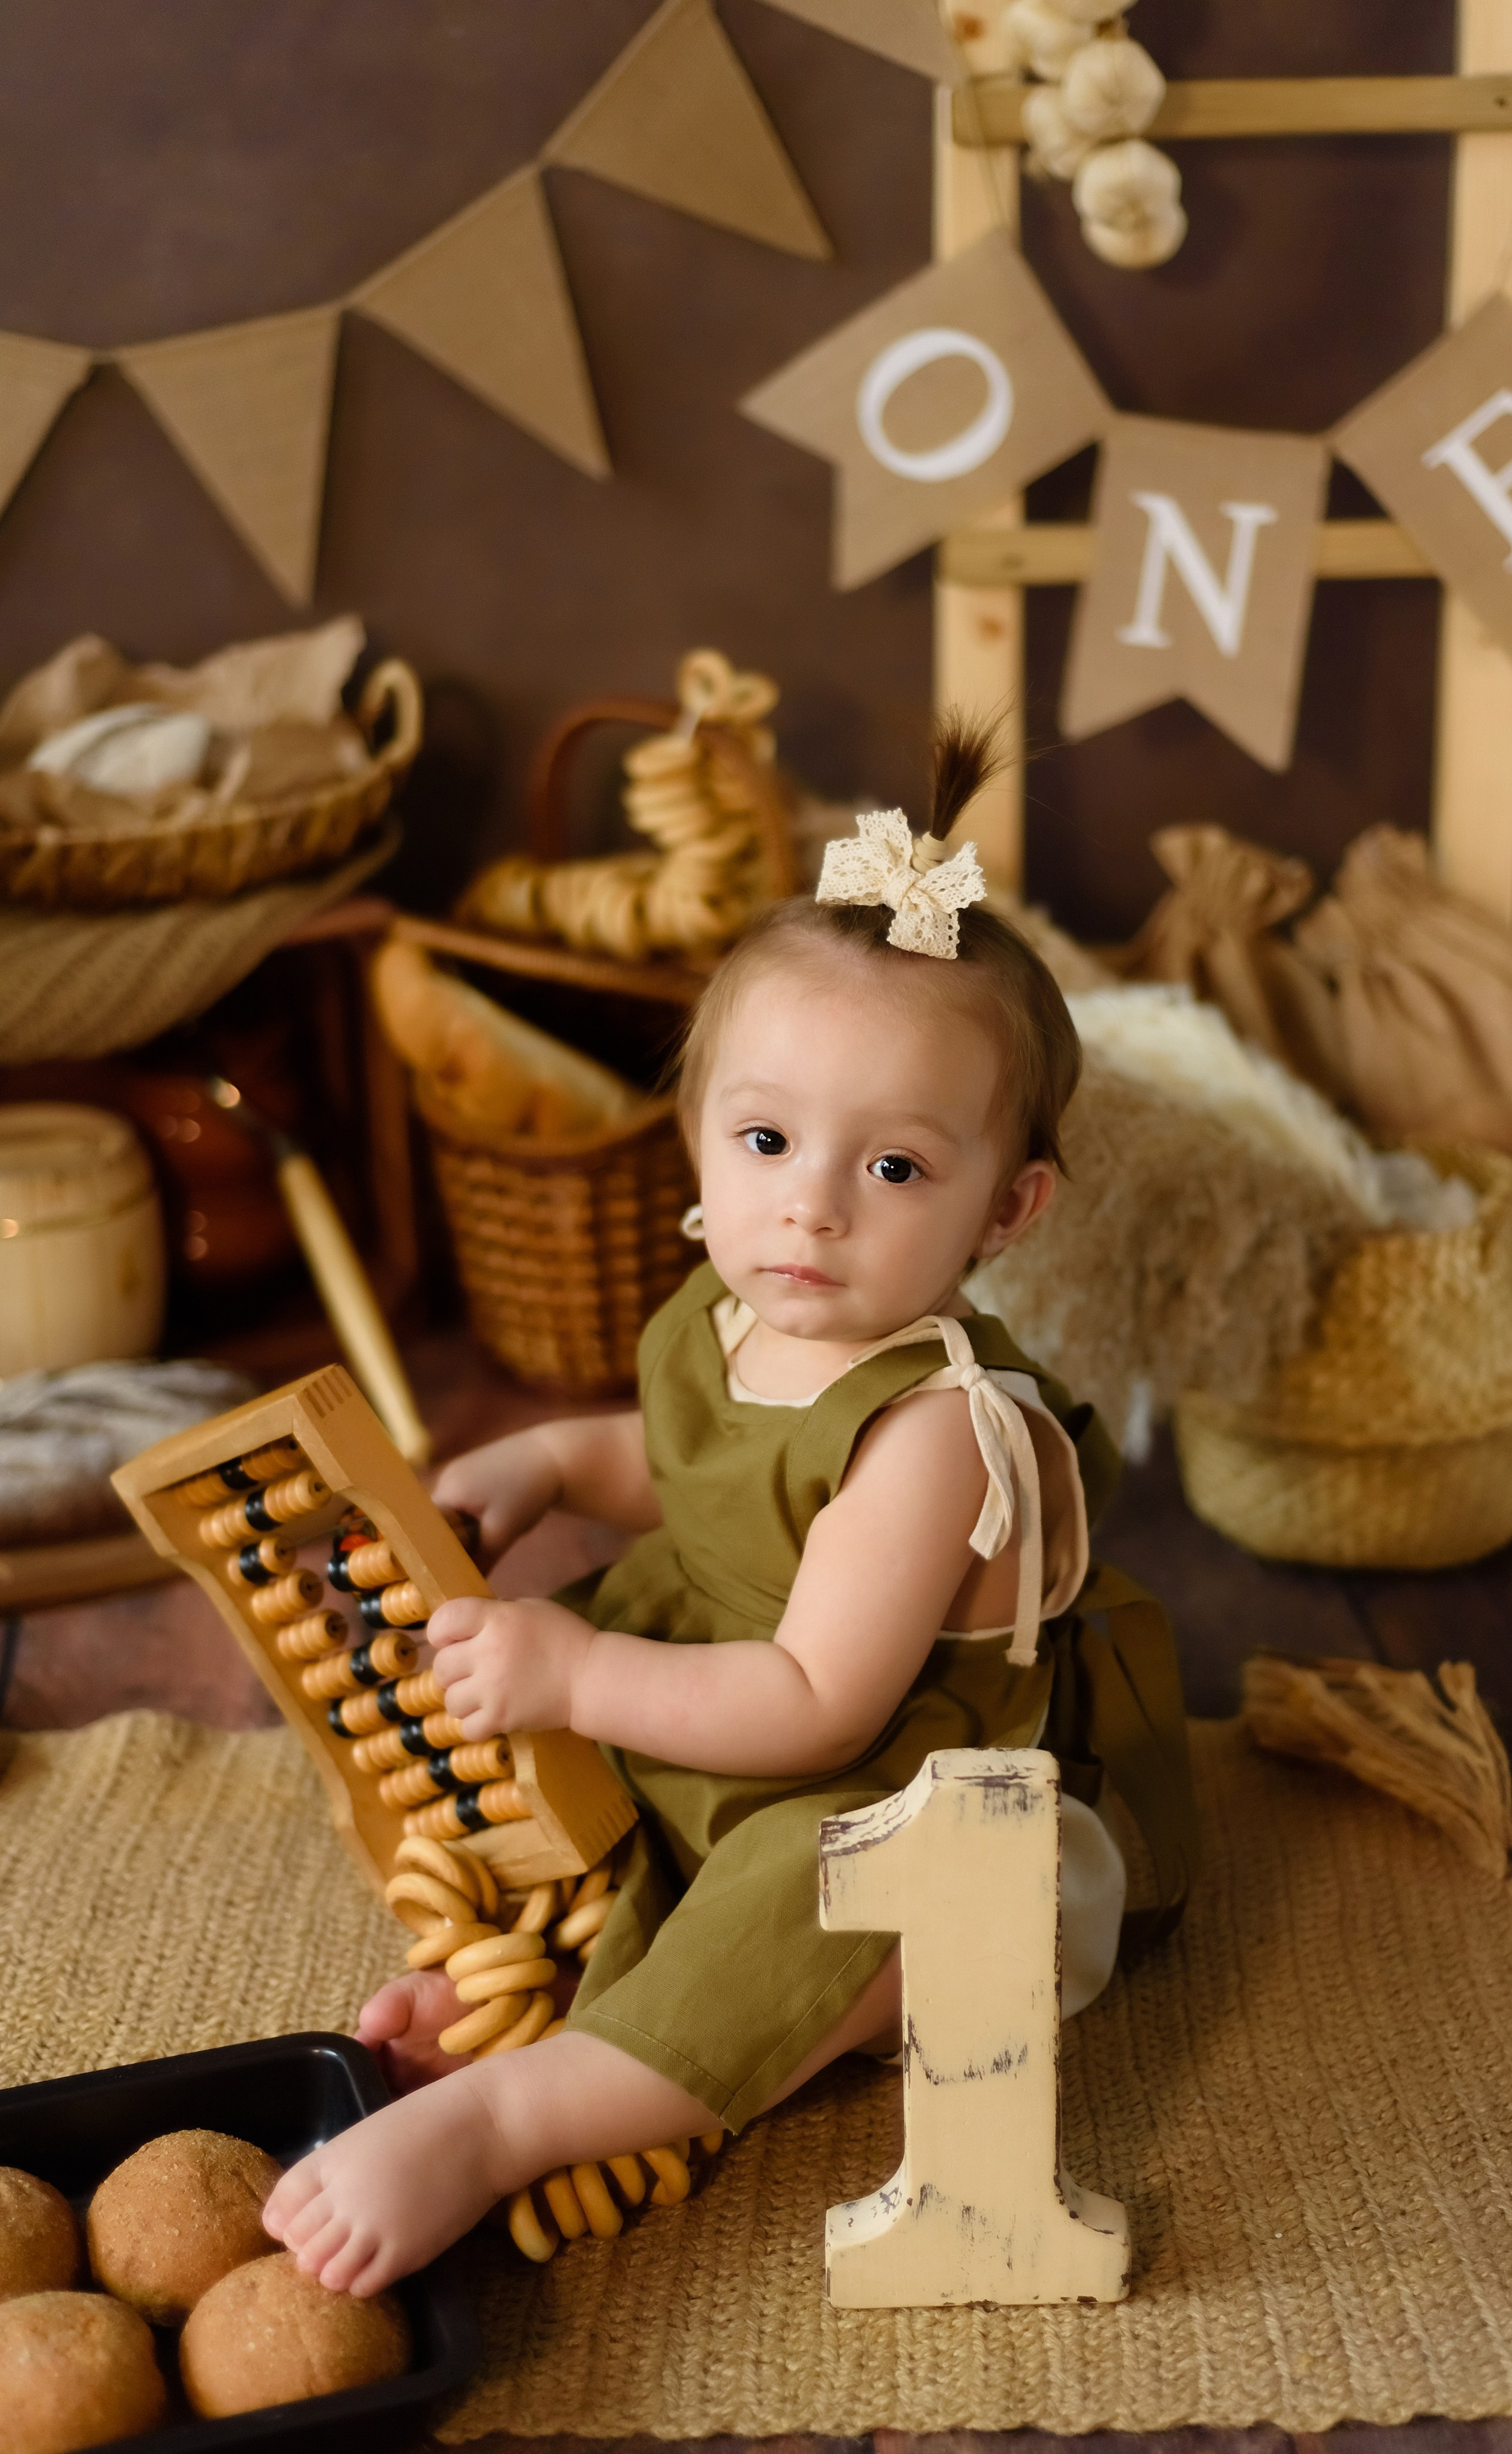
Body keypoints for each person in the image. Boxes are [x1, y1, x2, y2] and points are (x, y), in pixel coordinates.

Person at [264, 719, 1197, 2297]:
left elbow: (812, 1702)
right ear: (695, 1132)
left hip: (884, 1776)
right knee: (549, 1783)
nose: (810, 1204)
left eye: (894, 1168)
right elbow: (693, 1466)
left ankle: (512, 2116)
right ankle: (539, 1991)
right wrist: (561, 1462)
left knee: (809, 1915)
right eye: (764, 1139)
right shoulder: (735, 1304)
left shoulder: (935, 1432)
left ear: (1007, 1207)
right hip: (708, 1692)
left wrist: (574, 1668)